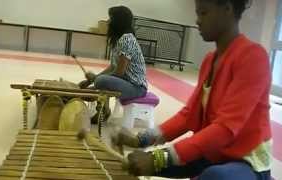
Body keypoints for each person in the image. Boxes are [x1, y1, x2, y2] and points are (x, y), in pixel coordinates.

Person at [113, 0, 272, 179]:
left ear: (227, 9)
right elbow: (189, 116)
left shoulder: (253, 57)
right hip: (213, 152)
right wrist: (141, 140)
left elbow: (225, 128)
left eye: (203, 13)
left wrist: (159, 159)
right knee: (137, 162)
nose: (197, 21)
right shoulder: (209, 60)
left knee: (215, 176)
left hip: (246, 162)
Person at [79, 6, 148, 123]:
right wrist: (91, 81)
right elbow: (112, 67)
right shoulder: (118, 40)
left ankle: (105, 110)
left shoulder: (126, 39)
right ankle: (103, 106)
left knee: (101, 81)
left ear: (118, 21)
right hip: (126, 82)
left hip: (136, 87)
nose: (108, 21)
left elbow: (119, 73)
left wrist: (96, 80)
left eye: (111, 18)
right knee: (93, 84)